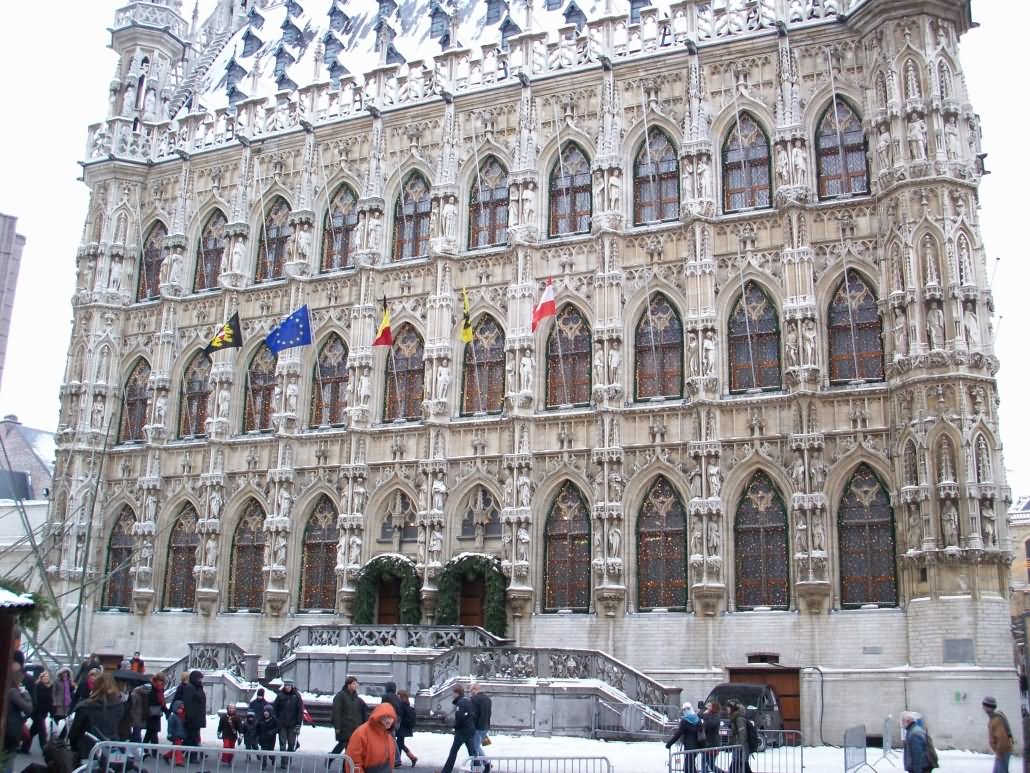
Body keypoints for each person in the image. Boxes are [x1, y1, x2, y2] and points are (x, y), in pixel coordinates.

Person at [69, 671, 126, 761]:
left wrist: (74, 746)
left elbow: (75, 732)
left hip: (88, 750)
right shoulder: (119, 705)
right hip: (112, 748)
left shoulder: (85, 706)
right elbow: (121, 728)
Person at [346, 703, 397, 773]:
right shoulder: (361, 733)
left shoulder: (388, 736)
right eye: (385, 717)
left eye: (391, 717)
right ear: (377, 717)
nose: (388, 721)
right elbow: (353, 761)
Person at [438, 684, 477, 773]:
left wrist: (455, 726)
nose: (452, 695)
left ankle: (446, 771)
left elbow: (460, 717)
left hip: (462, 731)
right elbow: (472, 714)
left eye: (453, 693)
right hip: (470, 729)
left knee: (453, 752)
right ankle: (477, 769)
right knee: (472, 753)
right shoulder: (467, 700)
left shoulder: (461, 703)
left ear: (457, 693)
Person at [330, 676, 368, 755]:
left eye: (356, 684)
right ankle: (331, 759)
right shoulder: (340, 696)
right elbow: (336, 712)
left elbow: (363, 712)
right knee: (343, 745)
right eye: (354, 684)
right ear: (348, 685)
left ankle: (343, 766)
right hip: (344, 727)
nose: (356, 686)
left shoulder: (357, 699)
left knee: (349, 748)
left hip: (355, 727)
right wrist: (337, 727)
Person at [5, 662, 33, 765]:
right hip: (11, 730)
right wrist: (25, 692)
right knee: (8, 760)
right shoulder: (14, 692)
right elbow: (28, 708)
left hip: (10, 729)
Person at [272, 679, 304, 763]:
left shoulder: (297, 696)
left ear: (292, 686)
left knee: (291, 743)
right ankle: (284, 761)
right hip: (282, 724)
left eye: (289, 685)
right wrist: (276, 719)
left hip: (292, 724)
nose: (287, 687)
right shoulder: (280, 696)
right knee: (282, 743)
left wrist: (298, 724)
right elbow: (274, 709)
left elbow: (300, 711)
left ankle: (289, 758)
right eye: (286, 685)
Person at [982, 696, 1013, 773]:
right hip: (1001, 751)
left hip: (1002, 750)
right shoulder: (994, 718)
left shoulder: (997, 720)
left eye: (984, 705)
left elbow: (1002, 738)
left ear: (989, 707)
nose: (983, 708)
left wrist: (999, 752)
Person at [179, 670, 207, 751]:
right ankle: (191, 756)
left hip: (198, 717)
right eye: (199, 679)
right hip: (192, 718)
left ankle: (182, 754)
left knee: (192, 738)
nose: (200, 680)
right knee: (191, 739)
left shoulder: (198, 687)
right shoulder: (190, 688)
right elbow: (188, 703)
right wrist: (190, 717)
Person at [28, 669, 54, 752]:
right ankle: (45, 749)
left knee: (33, 730)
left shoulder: (50, 688)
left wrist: (52, 710)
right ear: (41, 678)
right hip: (37, 711)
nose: (46, 678)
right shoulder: (37, 686)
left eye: (47, 677)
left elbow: (51, 700)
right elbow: (34, 698)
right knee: (43, 731)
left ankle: (25, 747)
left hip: (44, 712)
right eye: (44, 677)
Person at [381, 681, 404, 766]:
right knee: (390, 738)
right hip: (396, 719)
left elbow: (382, 708)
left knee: (390, 739)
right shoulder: (397, 697)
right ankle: (390, 758)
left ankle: (396, 759)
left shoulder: (386, 696)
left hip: (388, 719)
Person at [470, 683, 491, 773]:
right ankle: (486, 764)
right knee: (477, 747)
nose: (470, 693)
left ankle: (477, 769)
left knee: (475, 748)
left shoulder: (474, 699)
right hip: (485, 726)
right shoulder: (488, 699)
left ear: (475, 690)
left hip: (477, 727)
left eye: (471, 690)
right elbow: (489, 713)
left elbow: (474, 715)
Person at [728, 700, 752, 773]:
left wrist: (740, 745)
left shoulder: (739, 718)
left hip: (740, 745)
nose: (727, 709)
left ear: (733, 708)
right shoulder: (734, 717)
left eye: (728, 707)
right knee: (743, 764)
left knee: (736, 764)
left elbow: (742, 733)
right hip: (738, 745)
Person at [396, 688, 418, 767]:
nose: (397, 696)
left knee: (399, 743)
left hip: (402, 727)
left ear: (401, 696)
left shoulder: (402, 704)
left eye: (398, 695)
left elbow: (401, 715)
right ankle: (411, 758)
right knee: (400, 743)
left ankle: (399, 760)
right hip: (405, 727)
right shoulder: (407, 703)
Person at [144, 673, 168, 746]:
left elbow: (162, 702)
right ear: (157, 680)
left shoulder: (159, 689)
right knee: (153, 732)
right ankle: (155, 752)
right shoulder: (152, 688)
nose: (162, 683)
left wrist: (167, 711)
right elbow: (155, 701)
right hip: (152, 713)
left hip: (155, 713)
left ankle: (143, 748)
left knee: (150, 732)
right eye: (161, 681)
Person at [699, 701, 722, 773]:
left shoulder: (716, 717)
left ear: (714, 708)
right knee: (705, 764)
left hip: (712, 744)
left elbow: (711, 724)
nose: (708, 707)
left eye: (710, 706)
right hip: (706, 743)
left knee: (710, 765)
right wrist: (703, 712)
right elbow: (698, 715)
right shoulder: (708, 715)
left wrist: (705, 715)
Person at [163, 701, 187, 766]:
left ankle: (167, 756)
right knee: (178, 748)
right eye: (179, 708)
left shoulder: (180, 717)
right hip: (175, 735)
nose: (181, 710)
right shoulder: (173, 717)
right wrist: (170, 733)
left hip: (179, 735)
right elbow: (170, 727)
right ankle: (179, 761)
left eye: (182, 709)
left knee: (176, 748)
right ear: (176, 708)